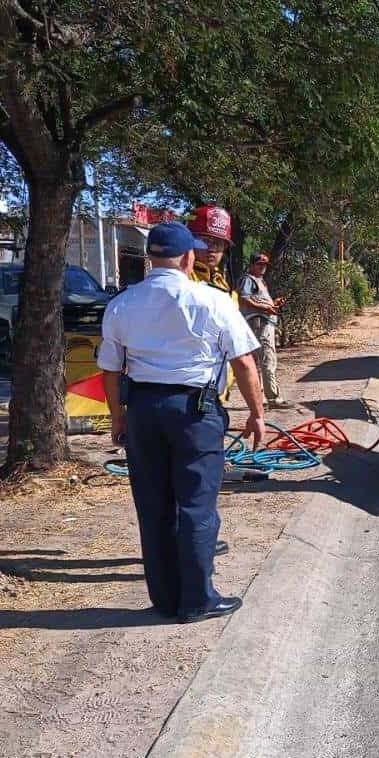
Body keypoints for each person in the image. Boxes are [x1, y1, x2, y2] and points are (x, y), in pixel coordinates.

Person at [97, 222, 265, 623]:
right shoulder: (211, 300)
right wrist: (257, 414)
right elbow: (243, 361)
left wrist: (118, 418)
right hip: (195, 412)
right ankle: (197, 600)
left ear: (150, 258)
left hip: (142, 411)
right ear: (189, 258)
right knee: (196, 506)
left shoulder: (122, 304)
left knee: (153, 507)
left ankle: (165, 598)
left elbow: (110, 369)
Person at [238, 253, 287, 407]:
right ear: (252, 264)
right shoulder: (248, 279)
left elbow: (256, 300)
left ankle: (262, 398)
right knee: (267, 359)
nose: (262, 267)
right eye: (259, 264)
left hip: (264, 322)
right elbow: (244, 299)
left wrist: (273, 304)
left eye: (265, 264)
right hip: (259, 323)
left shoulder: (260, 281)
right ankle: (272, 398)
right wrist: (266, 308)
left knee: (260, 361)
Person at [188, 205, 237, 301]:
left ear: (225, 248)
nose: (212, 249)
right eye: (205, 242)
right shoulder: (182, 277)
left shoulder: (221, 281)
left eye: (218, 243)